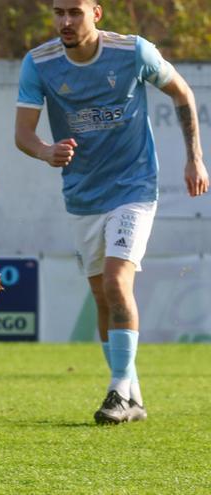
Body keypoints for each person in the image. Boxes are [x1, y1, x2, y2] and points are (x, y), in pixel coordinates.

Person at [15, 0, 208, 424]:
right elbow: (23, 134)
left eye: (74, 12)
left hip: (134, 188)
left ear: (96, 14)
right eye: (58, 12)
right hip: (83, 195)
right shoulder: (39, 63)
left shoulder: (132, 51)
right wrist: (47, 150)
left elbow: (182, 93)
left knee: (119, 282)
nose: (65, 21)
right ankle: (132, 393)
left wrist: (195, 157)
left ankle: (118, 391)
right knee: (102, 295)